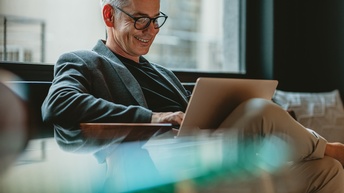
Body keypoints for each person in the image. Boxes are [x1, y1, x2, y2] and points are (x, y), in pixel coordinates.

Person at [41, 0, 344, 192]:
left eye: (156, 19)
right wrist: (154, 117)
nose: (151, 29)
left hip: (208, 151)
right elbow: (59, 104)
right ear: (109, 14)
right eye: (139, 19)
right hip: (158, 166)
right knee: (259, 112)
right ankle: (327, 146)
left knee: (326, 171)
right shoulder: (82, 60)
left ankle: (324, 153)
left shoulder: (163, 73)